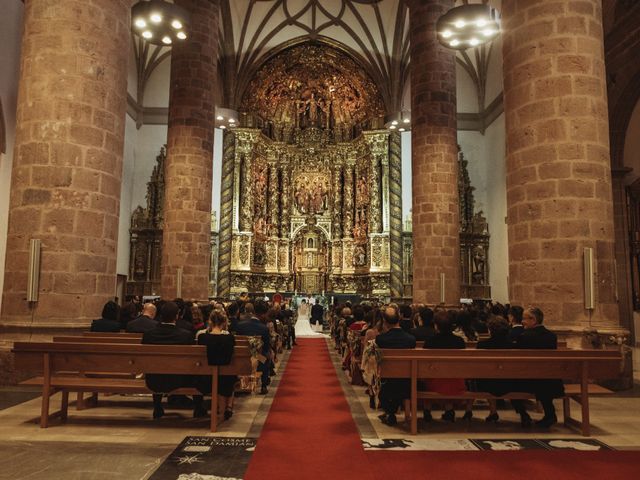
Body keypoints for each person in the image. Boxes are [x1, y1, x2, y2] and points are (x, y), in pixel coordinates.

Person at [141, 302, 210, 419]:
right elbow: (193, 360)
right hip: (180, 379)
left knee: (158, 367)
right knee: (197, 371)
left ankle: (157, 406)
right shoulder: (185, 335)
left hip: (153, 379)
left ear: (161, 315)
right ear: (177, 316)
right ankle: (198, 407)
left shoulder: (149, 335)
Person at [512, 307, 564, 428]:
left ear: (533, 320)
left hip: (530, 380)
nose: (522, 321)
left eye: (524, 319)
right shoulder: (551, 336)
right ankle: (550, 415)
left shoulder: (524, 336)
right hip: (551, 379)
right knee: (544, 380)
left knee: (510, 382)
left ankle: (524, 414)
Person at [375, 306, 416, 426]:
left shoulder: (381, 339)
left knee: (387, 386)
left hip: (387, 381)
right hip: (407, 379)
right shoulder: (410, 339)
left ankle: (390, 413)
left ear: (385, 322)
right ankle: (391, 412)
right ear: (399, 319)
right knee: (398, 383)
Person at [423, 310, 467, 422]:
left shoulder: (430, 342)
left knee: (426, 377)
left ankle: (427, 410)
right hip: (456, 381)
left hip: (434, 382)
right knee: (449, 374)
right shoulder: (459, 341)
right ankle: (449, 410)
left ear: (436, 326)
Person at [197, 310, 237, 421]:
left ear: (210, 321)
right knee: (228, 375)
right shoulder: (229, 338)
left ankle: (221, 410)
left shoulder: (202, 338)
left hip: (205, 378)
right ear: (224, 322)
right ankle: (225, 409)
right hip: (226, 380)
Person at [475, 315, 515, 423]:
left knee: (486, 376)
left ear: (490, 330)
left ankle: (493, 411)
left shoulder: (482, 345)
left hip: (486, 383)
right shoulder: (512, 346)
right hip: (509, 382)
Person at [235, 303, 271, 394]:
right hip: (256, 356)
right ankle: (264, 385)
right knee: (266, 358)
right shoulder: (264, 328)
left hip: (241, 356)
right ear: (263, 314)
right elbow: (266, 348)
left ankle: (243, 384)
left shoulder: (240, 325)